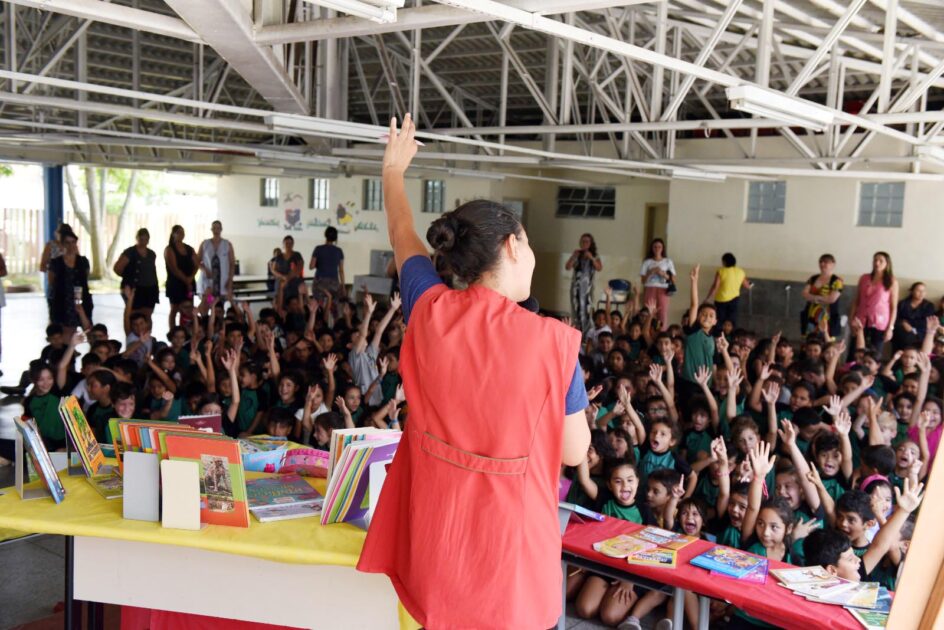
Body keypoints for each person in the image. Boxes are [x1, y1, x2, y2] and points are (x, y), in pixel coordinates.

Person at [357, 115, 591, 629]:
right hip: (511, 564)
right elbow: (574, 452)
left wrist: (393, 170)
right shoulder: (553, 343)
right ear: (511, 246)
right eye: (527, 244)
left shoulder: (429, 308)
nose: (531, 255)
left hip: (438, 548)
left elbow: (401, 233)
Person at [47, 228, 92, 338]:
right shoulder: (56, 263)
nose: (71, 246)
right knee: (67, 331)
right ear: (62, 244)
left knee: (89, 329)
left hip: (81, 300)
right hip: (63, 302)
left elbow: (85, 278)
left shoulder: (83, 261)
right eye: (67, 242)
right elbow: (52, 281)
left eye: (73, 242)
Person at [850, 251, 899, 353]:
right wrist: (851, 318)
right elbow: (857, 300)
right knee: (856, 351)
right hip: (861, 319)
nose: (877, 263)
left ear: (887, 264)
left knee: (874, 353)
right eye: (875, 260)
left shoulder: (891, 281)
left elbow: (893, 307)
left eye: (881, 261)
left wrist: (890, 328)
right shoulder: (864, 278)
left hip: (879, 322)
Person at [113, 228, 159, 317]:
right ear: (137, 238)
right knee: (133, 314)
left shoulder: (151, 254)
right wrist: (128, 277)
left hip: (150, 288)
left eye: (146, 239)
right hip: (133, 288)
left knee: (148, 314)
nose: (143, 242)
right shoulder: (130, 252)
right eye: (141, 239)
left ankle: (147, 331)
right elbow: (117, 268)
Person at [164, 224, 199, 330]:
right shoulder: (169, 249)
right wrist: (186, 281)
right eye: (178, 232)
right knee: (174, 309)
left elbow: (196, 264)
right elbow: (174, 269)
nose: (181, 234)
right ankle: (173, 331)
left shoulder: (189, 248)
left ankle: (188, 330)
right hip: (175, 284)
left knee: (189, 308)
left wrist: (191, 278)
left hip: (189, 283)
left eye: (182, 232)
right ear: (173, 234)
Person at [565, 233, 603, 333]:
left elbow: (599, 268)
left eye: (587, 241)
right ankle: (576, 332)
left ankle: (586, 334)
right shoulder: (577, 253)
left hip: (587, 290)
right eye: (583, 241)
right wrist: (574, 257)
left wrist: (591, 258)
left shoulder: (594, 255)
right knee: (576, 309)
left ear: (591, 243)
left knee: (587, 310)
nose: (585, 243)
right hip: (576, 289)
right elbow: (568, 267)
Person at [707, 252, 752, 333]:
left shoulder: (721, 271)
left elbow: (715, 287)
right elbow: (747, 285)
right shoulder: (740, 271)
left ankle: (718, 338)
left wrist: (708, 298)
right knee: (731, 321)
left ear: (724, 262)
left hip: (721, 300)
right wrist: (751, 284)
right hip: (734, 300)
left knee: (719, 321)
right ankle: (731, 338)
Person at [801, 253, 843, 338]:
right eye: (820, 261)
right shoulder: (813, 278)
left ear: (833, 264)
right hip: (811, 316)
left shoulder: (837, 281)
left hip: (827, 317)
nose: (822, 264)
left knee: (826, 343)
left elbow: (832, 299)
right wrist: (822, 298)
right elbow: (804, 294)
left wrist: (814, 298)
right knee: (810, 341)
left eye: (826, 262)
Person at [639, 238, 676, 331]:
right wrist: (651, 272)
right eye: (655, 247)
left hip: (663, 289)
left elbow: (673, 279)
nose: (657, 249)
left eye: (659, 247)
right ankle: (648, 331)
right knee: (649, 311)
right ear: (652, 248)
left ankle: (661, 332)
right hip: (650, 288)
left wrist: (663, 274)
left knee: (662, 312)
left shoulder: (668, 261)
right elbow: (643, 281)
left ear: (662, 248)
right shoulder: (647, 262)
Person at [39, 223, 72, 323]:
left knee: (58, 315)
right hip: (57, 284)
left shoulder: (52, 246)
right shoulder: (52, 246)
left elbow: (42, 266)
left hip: (65, 285)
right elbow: (43, 266)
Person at [197, 220, 235, 302]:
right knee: (209, 303)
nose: (216, 230)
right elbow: (197, 261)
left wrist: (230, 280)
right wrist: (205, 270)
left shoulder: (227, 244)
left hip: (223, 281)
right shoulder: (205, 244)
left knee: (220, 306)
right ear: (211, 229)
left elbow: (232, 263)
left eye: (218, 228)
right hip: (208, 282)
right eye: (214, 228)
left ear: (221, 229)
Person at [893, 282, 935, 351]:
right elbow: (896, 318)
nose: (921, 293)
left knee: (911, 338)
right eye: (918, 290)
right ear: (912, 291)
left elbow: (926, 321)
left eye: (923, 291)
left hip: (920, 331)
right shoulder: (903, 304)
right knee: (900, 334)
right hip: (902, 330)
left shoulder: (929, 306)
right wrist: (903, 323)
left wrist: (910, 326)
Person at [310, 226, 346, 302]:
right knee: (332, 307)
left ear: (325, 235)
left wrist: (319, 263)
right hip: (334, 283)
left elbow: (311, 266)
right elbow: (341, 271)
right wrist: (343, 286)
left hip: (320, 282)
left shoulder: (318, 249)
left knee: (319, 307)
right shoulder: (339, 251)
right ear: (335, 238)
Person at [268, 235, 304, 305]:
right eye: (286, 243)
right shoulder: (279, 256)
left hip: (293, 280)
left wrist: (288, 278)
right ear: (283, 244)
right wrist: (283, 277)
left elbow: (300, 267)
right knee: (278, 299)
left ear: (293, 244)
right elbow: (273, 270)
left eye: (290, 243)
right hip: (281, 280)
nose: (288, 245)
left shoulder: (297, 254)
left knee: (293, 301)